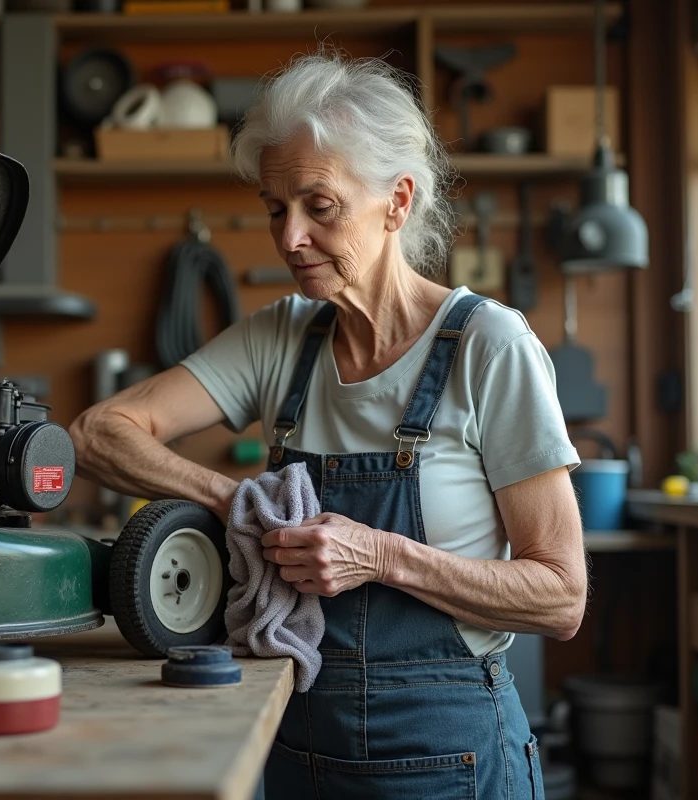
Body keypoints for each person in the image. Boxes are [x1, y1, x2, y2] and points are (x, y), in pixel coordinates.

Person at [70, 51, 587, 799]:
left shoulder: (489, 347)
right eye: (276, 209)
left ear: (397, 202)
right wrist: (234, 499)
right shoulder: (282, 336)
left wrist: (380, 555)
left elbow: (561, 597)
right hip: (290, 742)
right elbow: (98, 431)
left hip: (448, 755)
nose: (289, 238)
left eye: (320, 205)